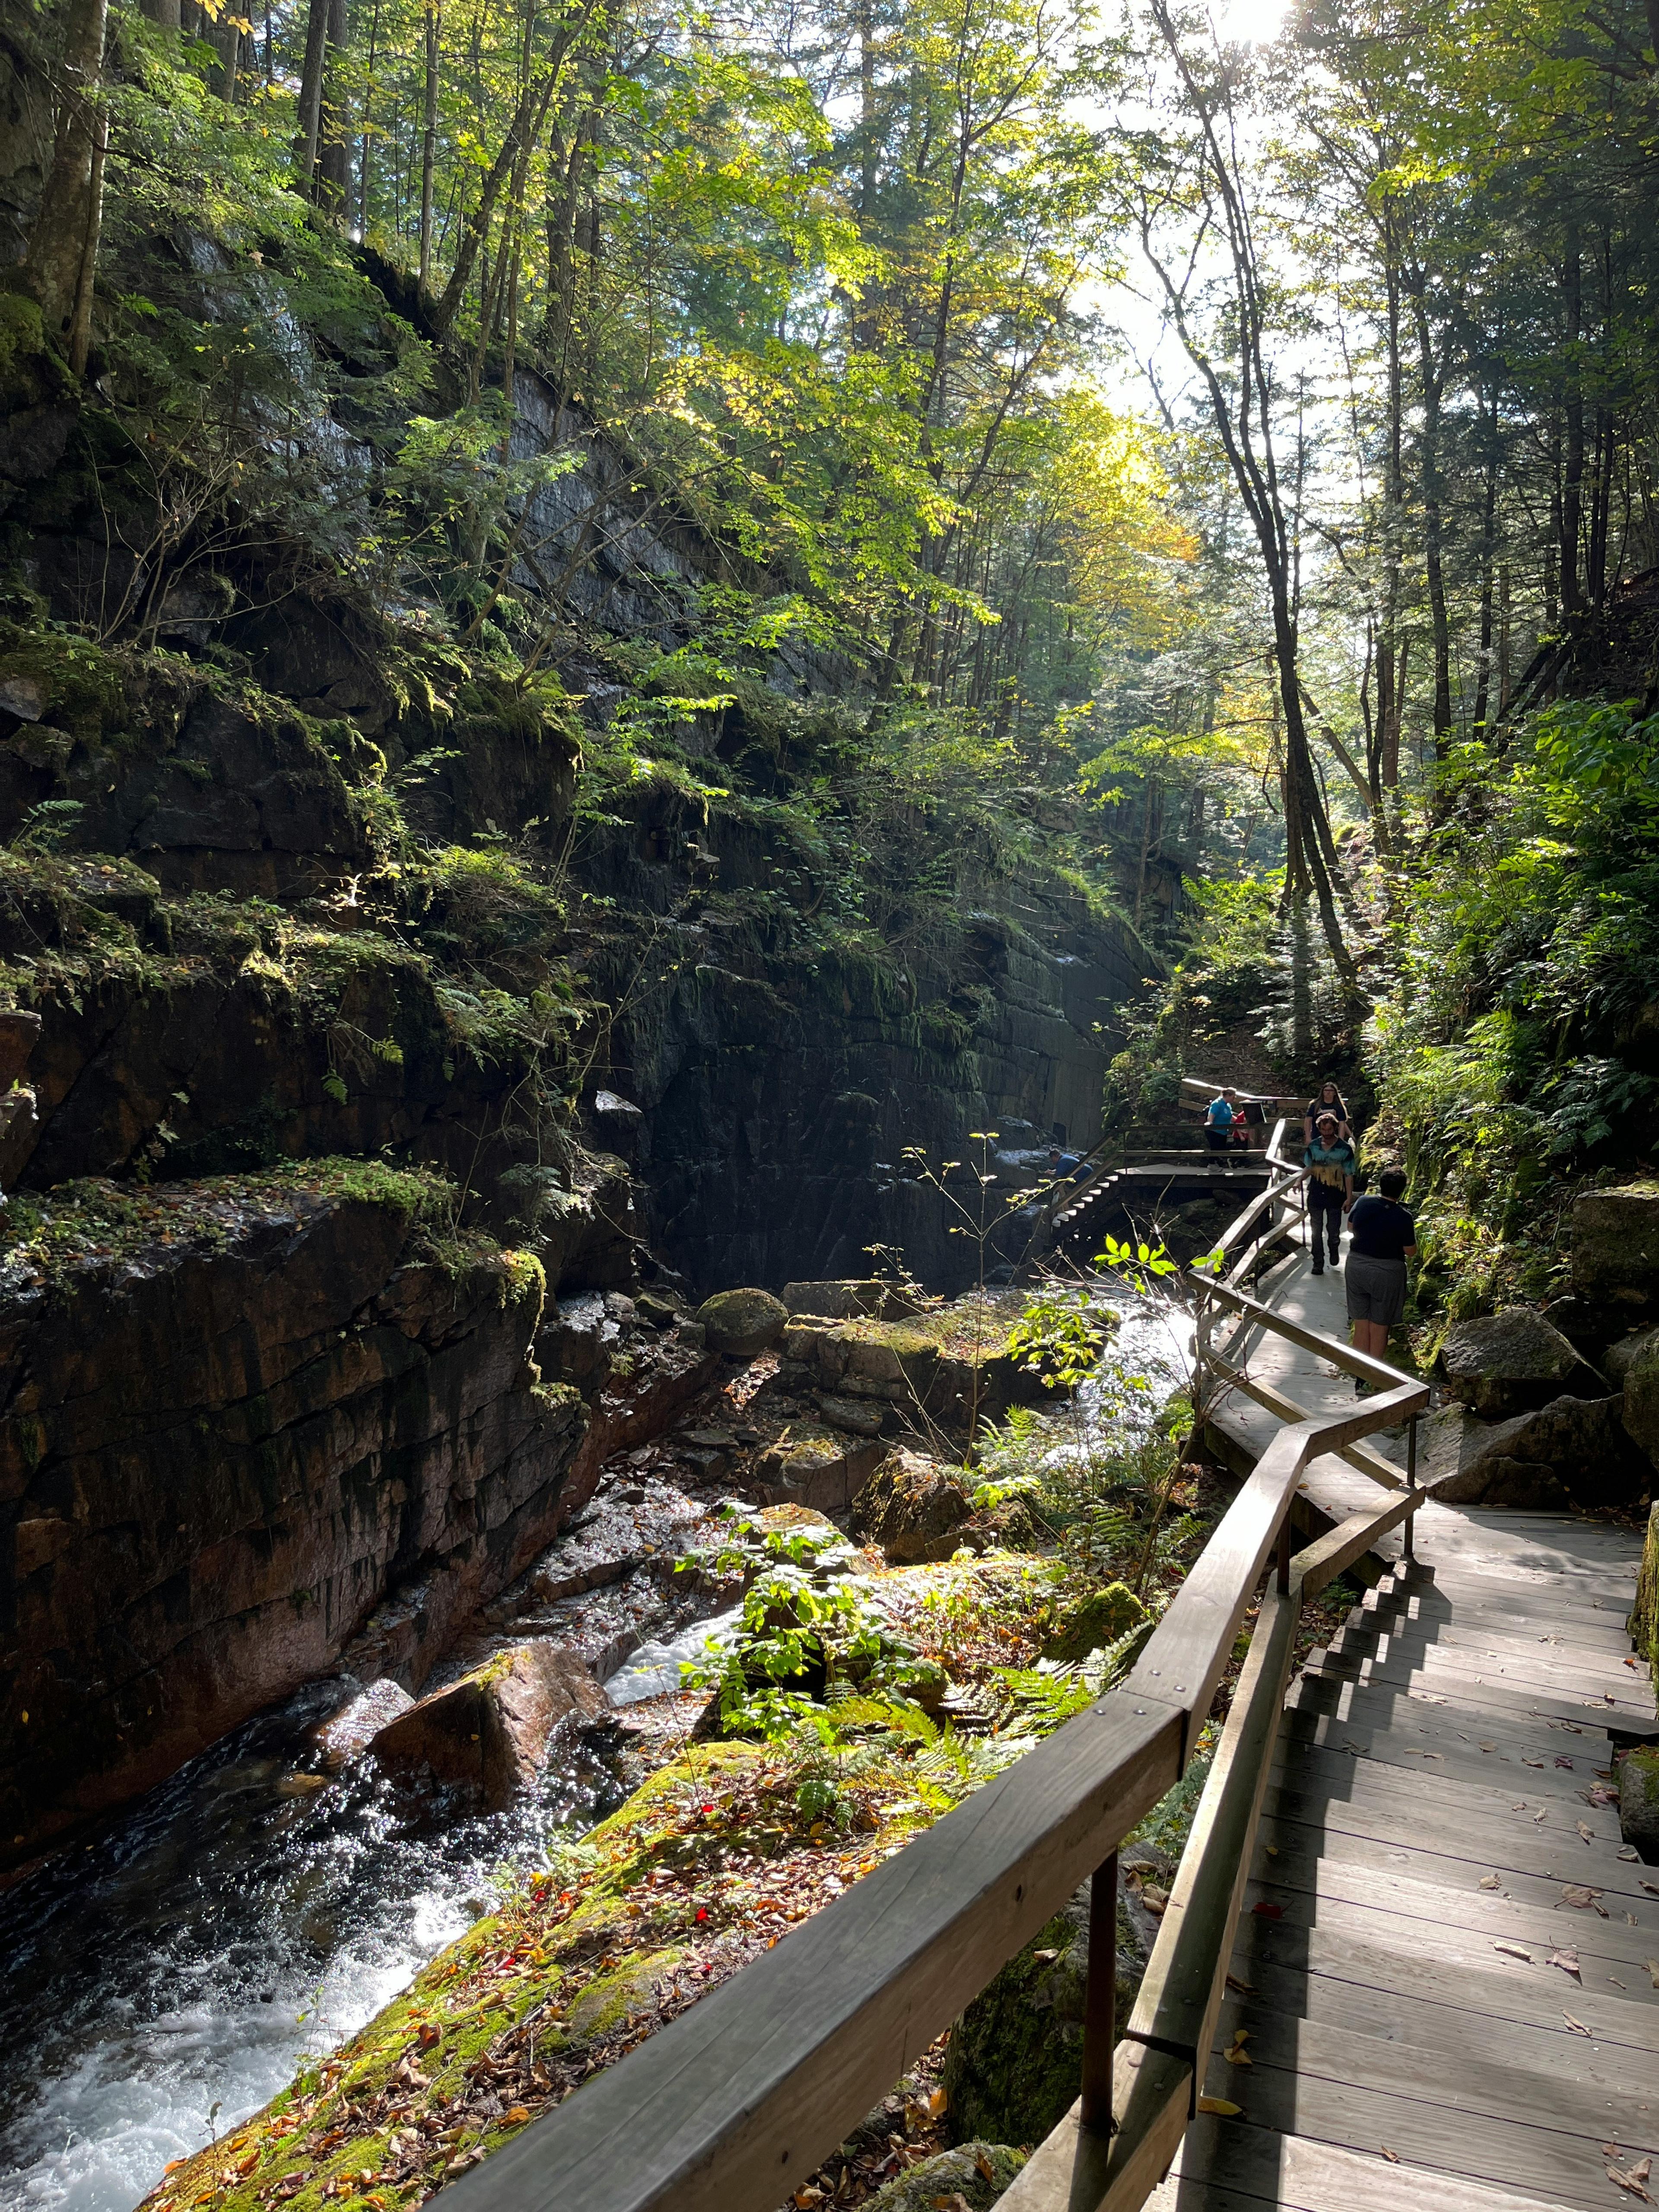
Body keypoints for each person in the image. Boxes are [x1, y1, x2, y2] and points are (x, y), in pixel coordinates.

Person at [1345, 1167, 1416, 1385]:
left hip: (1357, 1266)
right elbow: (1410, 1251)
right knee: (1379, 1326)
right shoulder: (1404, 1216)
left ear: (1381, 1185)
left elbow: (1350, 1227)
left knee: (1361, 1323)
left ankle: (1360, 1376)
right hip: (1387, 1273)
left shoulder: (1364, 1202)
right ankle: (1374, 1379)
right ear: (1402, 1191)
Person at [1302, 1111, 1355, 1274]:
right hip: (1316, 1193)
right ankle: (1318, 1263)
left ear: (1335, 1128)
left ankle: (1334, 1249)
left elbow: (1349, 1174)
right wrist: (1299, 1180)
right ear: (1319, 1129)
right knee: (1316, 1231)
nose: (1327, 1134)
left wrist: (1349, 1198)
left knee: (1333, 1232)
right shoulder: (1314, 1146)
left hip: (1336, 1195)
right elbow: (1309, 1167)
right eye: (1323, 1131)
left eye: (1329, 1130)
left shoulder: (1345, 1149)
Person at [1305, 1079, 1352, 1144]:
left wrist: (1341, 1139)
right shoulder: (1315, 1105)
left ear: (1335, 1093)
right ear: (1323, 1092)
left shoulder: (1338, 1106)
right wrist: (1308, 1137)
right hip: (1316, 1137)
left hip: (1333, 1138)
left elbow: (1342, 1124)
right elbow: (1308, 1120)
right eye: (1326, 1090)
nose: (1328, 1092)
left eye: (1331, 1091)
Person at [1205, 1087, 1236, 1153]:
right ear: (1228, 1096)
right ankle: (1212, 1163)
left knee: (1221, 1150)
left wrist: (1239, 1120)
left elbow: (1229, 1116)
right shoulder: (1217, 1104)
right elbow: (1212, 1115)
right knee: (1216, 1150)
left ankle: (1219, 1163)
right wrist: (1210, 1122)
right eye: (1233, 1096)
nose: (1235, 1098)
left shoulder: (1228, 1106)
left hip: (1223, 1132)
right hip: (1215, 1132)